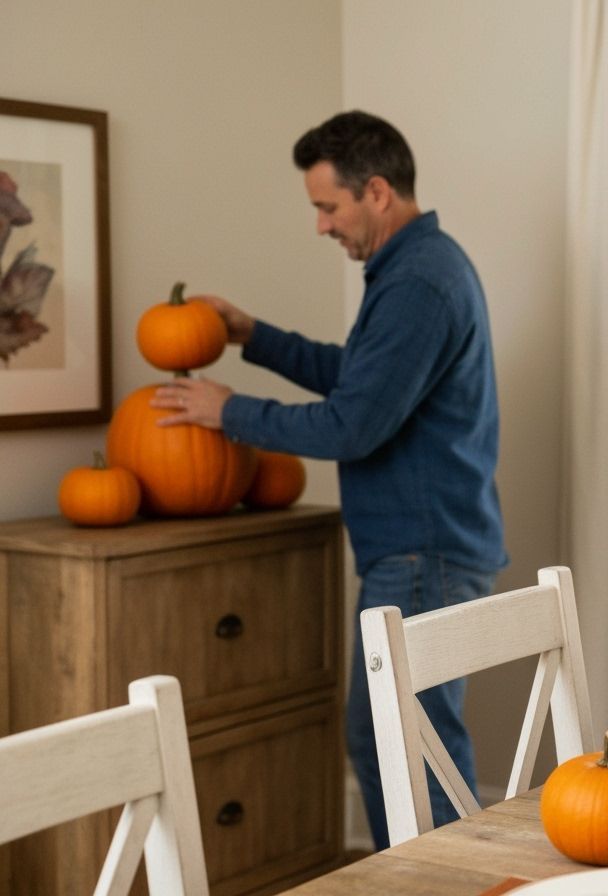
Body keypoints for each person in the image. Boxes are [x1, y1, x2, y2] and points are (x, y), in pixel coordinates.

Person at [152, 110, 508, 848]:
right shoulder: (419, 268)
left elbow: (353, 425)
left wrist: (229, 413)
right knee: (402, 744)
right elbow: (364, 382)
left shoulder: (418, 283)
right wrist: (259, 338)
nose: (321, 226)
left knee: (406, 751)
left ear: (376, 192)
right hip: (426, 551)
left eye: (327, 206)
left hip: (423, 555)